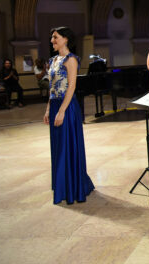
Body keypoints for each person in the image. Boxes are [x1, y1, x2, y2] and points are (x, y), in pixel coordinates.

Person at [44, 26, 94, 204]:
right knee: (58, 147)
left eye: (55, 37)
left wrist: (62, 111)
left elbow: (71, 87)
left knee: (67, 146)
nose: (52, 41)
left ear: (65, 39)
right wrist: (49, 109)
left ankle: (73, 186)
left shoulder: (71, 59)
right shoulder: (53, 60)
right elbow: (51, 87)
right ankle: (63, 186)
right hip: (55, 105)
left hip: (67, 107)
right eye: (52, 38)